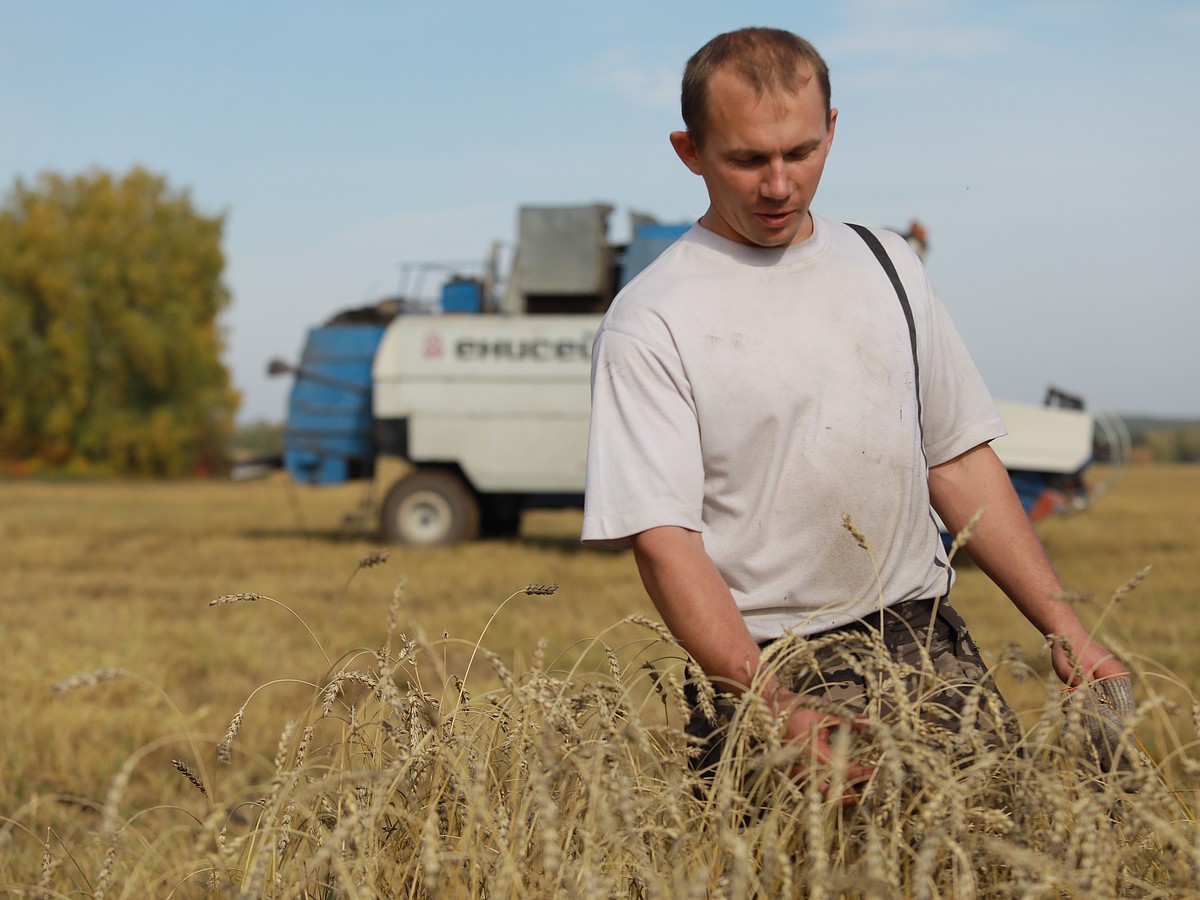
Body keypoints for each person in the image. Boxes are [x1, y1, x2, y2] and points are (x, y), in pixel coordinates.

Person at [581, 27, 1128, 790]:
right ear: (689, 151)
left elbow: (959, 459)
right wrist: (771, 707)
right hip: (772, 664)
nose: (779, 185)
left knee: (1006, 860)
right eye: (747, 159)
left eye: (800, 152)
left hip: (931, 643)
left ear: (832, 130)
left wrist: (1067, 628)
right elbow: (666, 545)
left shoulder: (887, 261)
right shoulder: (653, 319)